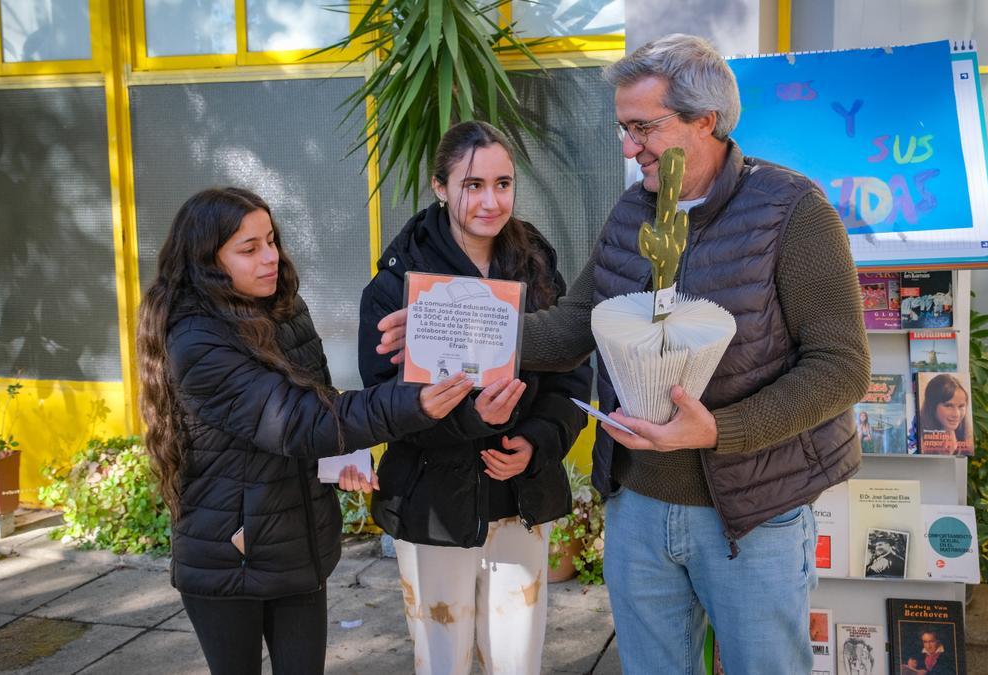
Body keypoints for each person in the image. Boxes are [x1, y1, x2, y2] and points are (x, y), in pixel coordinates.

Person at [373, 33, 871, 673]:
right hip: (637, 504)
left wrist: (718, 430)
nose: (630, 146)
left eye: (643, 128)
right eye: (623, 129)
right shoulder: (633, 210)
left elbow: (841, 366)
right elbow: (575, 324)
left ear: (705, 120)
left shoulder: (792, 212)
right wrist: (450, 324)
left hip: (751, 514)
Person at [136, 187, 474, 675]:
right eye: (248, 249)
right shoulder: (197, 340)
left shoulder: (283, 308)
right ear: (206, 261)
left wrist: (346, 462)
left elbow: (319, 403)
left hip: (298, 543)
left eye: (270, 241)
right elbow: (294, 422)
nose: (270, 257)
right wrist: (412, 402)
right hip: (230, 553)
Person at [348, 121, 591, 675]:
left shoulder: (536, 264)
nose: (491, 200)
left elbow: (573, 374)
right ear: (439, 186)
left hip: (520, 496)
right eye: (472, 185)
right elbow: (385, 404)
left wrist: (536, 441)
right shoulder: (396, 283)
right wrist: (470, 419)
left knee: (517, 659)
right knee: (442, 660)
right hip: (434, 502)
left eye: (502, 184)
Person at [919, 373, 971, 452]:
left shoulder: (966, 438)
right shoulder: (917, 441)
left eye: (961, 406)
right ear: (932, 405)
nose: (956, 414)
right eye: (948, 406)